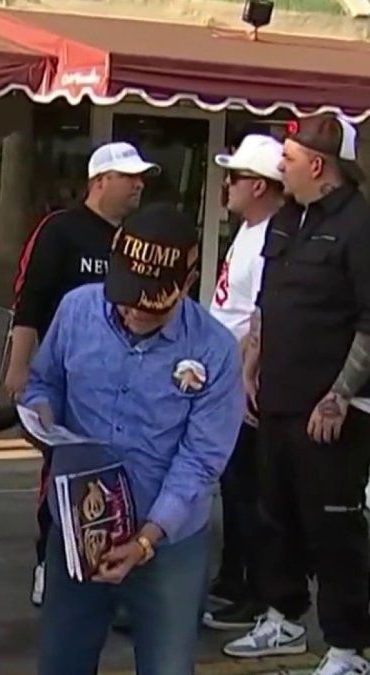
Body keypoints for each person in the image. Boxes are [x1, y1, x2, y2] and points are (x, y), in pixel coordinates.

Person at [24, 203, 243, 675]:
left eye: (151, 301)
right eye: (126, 295)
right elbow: (46, 382)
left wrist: (146, 539)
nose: (134, 310)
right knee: (62, 661)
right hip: (77, 530)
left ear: (186, 283)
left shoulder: (215, 349)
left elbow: (202, 460)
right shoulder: (77, 310)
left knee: (166, 666)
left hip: (168, 542)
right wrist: (41, 415)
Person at [224, 114, 370, 675]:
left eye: (287, 159)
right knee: (272, 517)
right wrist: (251, 363)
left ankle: (347, 647)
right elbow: (268, 298)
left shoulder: (360, 226)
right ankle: (282, 617)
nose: (279, 167)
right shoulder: (288, 219)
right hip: (276, 399)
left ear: (317, 163)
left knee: (333, 529)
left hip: (332, 412)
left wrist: (338, 396)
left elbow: (369, 320)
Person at [2, 141, 159, 606]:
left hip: (126, 380)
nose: (138, 185)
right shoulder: (61, 230)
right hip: (63, 377)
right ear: (99, 181)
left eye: (141, 177)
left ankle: (109, 560)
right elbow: (28, 301)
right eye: (128, 177)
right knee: (63, 472)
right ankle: (49, 563)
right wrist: (19, 369)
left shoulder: (135, 238)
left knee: (120, 472)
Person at [201, 134, 285, 631]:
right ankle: (234, 579)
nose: (225, 185)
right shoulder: (252, 231)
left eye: (233, 177)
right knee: (233, 487)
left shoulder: (273, 236)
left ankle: (251, 589)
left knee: (246, 490)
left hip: (241, 378)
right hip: (226, 371)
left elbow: (261, 318)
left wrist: (240, 371)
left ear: (257, 185)